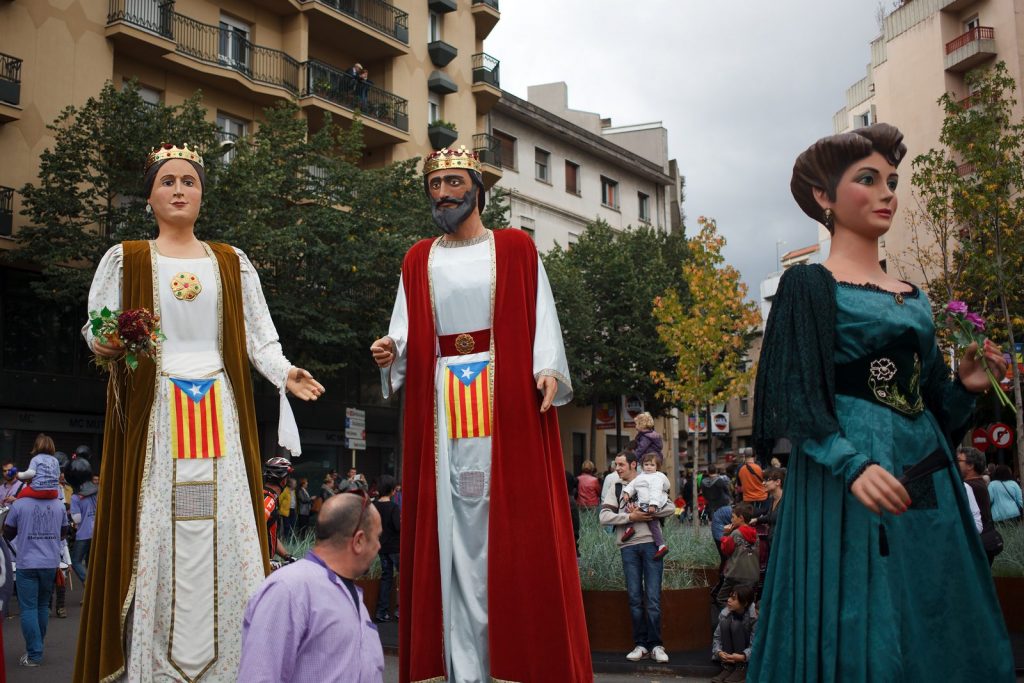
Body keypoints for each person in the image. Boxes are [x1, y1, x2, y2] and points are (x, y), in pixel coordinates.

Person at [749, 123, 1013, 681]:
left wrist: (966, 387)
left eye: (891, 180)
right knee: (858, 600)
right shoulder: (809, 286)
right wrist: (851, 463)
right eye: (867, 180)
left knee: (929, 595)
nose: (887, 192)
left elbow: (935, 407)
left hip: (925, 471)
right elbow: (796, 396)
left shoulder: (914, 295)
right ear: (824, 197)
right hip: (847, 475)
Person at [75, 143, 325, 682]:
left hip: (217, 408)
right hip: (157, 414)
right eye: (167, 181)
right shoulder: (127, 258)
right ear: (149, 196)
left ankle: (232, 666)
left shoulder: (231, 262)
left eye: (189, 181)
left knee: (224, 526)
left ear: (202, 196)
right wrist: (110, 341)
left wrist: (285, 373)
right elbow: (95, 326)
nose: (179, 189)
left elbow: (260, 338)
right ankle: (152, 664)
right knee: (158, 530)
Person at [371, 146, 590, 682]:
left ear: (476, 187)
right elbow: (404, 329)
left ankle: (508, 664)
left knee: (504, 528)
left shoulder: (516, 248)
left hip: (505, 399)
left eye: (453, 181)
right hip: (442, 399)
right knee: (449, 527)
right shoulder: (417, 258)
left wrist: (547, 369)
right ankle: (456, 666)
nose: (443, 192)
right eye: (434, 184)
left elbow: (542, 315)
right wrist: (390, 351)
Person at [237, 490, 385, 682]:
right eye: (377, 537)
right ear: (358, 541)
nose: (379, 546)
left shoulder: (352, 594)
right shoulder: (289, 589)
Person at [599, 451, 674, 664]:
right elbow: (604, 517)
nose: (617, 469)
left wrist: (647, 511)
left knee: (652, 598)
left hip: (651, 544)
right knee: (634, 597)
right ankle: (640, 644)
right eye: (616, 465)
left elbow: (670, 506)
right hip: (628, 547)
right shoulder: (616, 487)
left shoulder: (653, 481)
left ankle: (656, 644)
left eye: (621, 465)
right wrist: (630, 516)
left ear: (633, 465)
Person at [4, 440, 68, 667]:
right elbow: (63, 533)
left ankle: (34, 654)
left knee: (29, 608)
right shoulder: (60, 505)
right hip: (50, 563)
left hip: (27, 563)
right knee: (42, 606)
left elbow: (7, 534)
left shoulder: (20, 504)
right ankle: (37, 647)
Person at [619, 453, 671, 559]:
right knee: (628, 509)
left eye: (652, 465)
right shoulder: (641, 476)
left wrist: (653, 504)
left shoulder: (657, 477)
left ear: (657, 467)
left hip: (651, 504)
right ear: (642, 466)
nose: (648, 467)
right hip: (642, 503)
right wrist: (627, 493)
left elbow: (656, 492)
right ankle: (630, 529)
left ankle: (661, 545)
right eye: (646, 464)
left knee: (653, 525)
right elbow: (633, 485)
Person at [957, 447, 1001, 566]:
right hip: (986, 539)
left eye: (958, 460)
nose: (955, 464)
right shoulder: (979, 483)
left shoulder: (968, 486)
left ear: (970, 465)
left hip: (978, 542)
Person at [716, 503, 759, 611]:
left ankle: (731, 618)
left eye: (733, 517)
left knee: (721, 598)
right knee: (747, 601)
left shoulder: (735, 533)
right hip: (752, 574)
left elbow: (725, 550)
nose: (731, 519)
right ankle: (748, 622)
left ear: (741, 518)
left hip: (735, 574)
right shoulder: (756, 534)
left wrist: (725, 534)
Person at [711, 584, 758, 683]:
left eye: (733, 598)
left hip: (745, 655)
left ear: (744, 603)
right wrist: (718, 652)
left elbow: (757, 644)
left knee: (736, 625)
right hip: (731, 654)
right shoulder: (725, 613)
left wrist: (743, 657)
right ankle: (728, 667)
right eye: (729, 596)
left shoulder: (754, 617)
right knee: (724, 623)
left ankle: (741, 669)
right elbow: (717, 637)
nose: (728, 600)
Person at [372, 475, 401, 623]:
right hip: (395, 547)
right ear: (391, 490)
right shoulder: (394, 507)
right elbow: (398, 527)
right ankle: (399, 610)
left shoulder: (374, 506)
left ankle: (381, 611)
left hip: (382, 547)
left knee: (386, 578)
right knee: (402, 578)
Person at [263, 457, 296, 564]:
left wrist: (287, 556)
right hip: (259, 567)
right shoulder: (268, 502)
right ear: (283, 481)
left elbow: (269, 535)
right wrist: (267, 561)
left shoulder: (268, 497)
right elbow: (250, 534)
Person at [69, 477, 98, 586]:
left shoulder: (75, 497)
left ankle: (89, 584)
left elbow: (77, 519)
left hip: (84, 534)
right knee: (91, 563)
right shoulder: (95, 493)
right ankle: (89, 597)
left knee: (76, 561)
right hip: (96, 532)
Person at [737, 448, 768, 515]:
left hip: (748, 499)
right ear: (754, 456)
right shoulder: (759, 467)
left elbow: (739, 486)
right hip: (761, 498)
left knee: (750, 519)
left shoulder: (740, 469)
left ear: (744, 456)